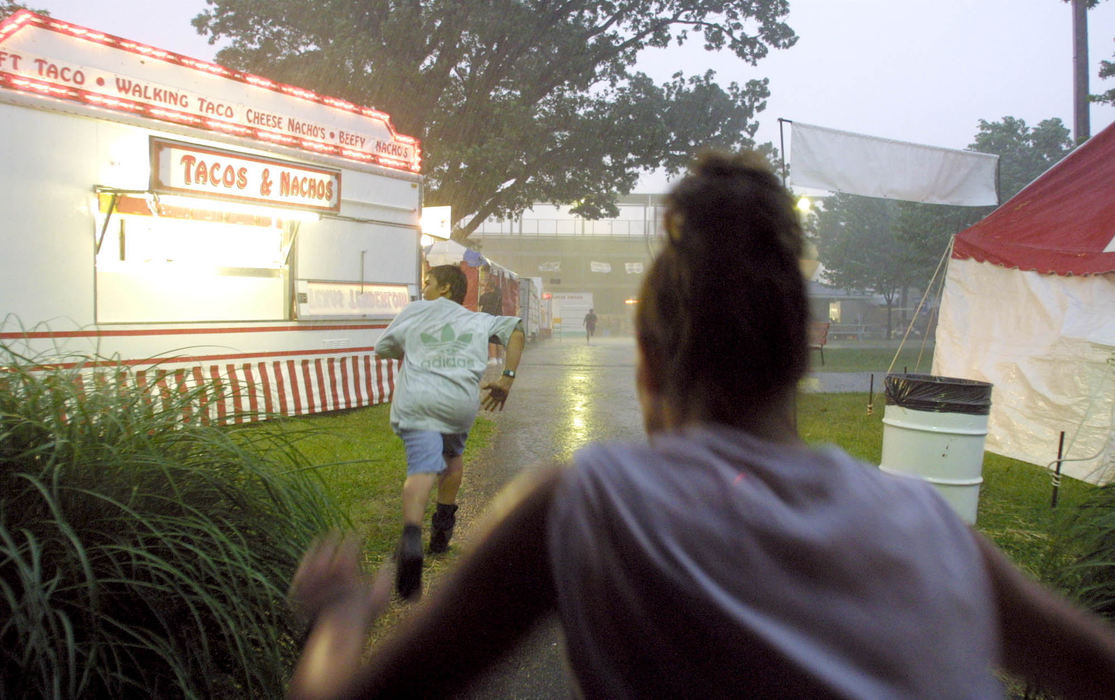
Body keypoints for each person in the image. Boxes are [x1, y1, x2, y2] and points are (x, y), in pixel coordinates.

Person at [287, 153, 1115, 699]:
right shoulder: (931, 526)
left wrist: (339, 618)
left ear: (649, 362)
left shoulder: (585, 505)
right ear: (799, 361)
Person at [371, 264, 524, 601]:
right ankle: (442, 531)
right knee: (452, 455)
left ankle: (411, 536)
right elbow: (516, 330)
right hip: (460, 404)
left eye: (429, 283)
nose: (424, 288)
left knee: (423, 464)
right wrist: (508, 377)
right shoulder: (479, 319)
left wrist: (413, 350)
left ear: (445, 289)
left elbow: (382, 348)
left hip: (419, 402)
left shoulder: (414, 311)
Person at [478, 276, 504, 364]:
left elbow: (480, 303)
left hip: (489, 318)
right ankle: (499, 359)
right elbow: (497, 289)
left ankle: (493, 358)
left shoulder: (486, 296)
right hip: (499, 317)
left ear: (488, 287)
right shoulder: (499, 294)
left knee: (491, 339)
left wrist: (483, 290)